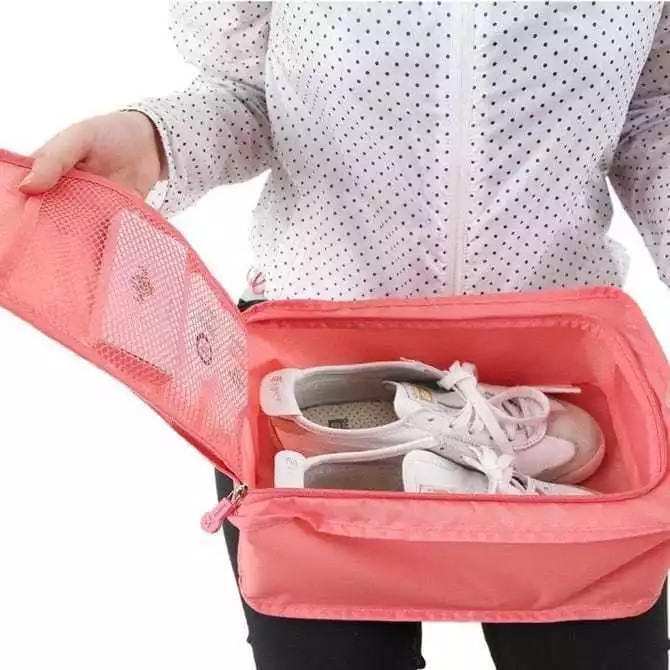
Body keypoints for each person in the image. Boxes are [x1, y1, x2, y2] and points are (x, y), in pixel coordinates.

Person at [19, 2, 670, 668]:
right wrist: (157, 140)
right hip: (318, 359)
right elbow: (248, 92)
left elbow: (654, 114)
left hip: (551, 364)